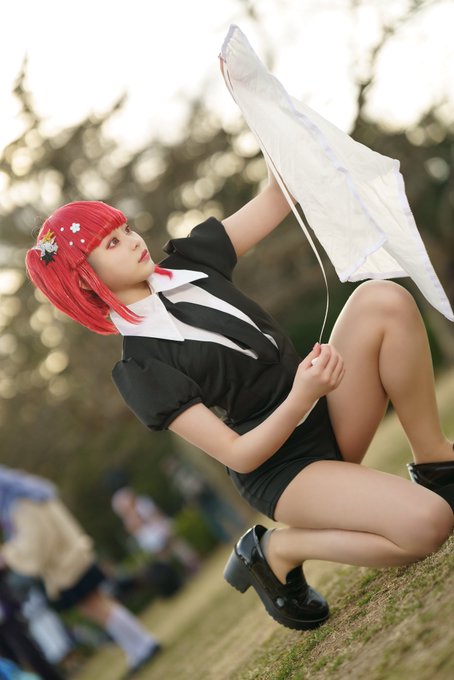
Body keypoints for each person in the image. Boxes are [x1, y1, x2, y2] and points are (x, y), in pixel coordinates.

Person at [24, 163, 453, 632]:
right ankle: (277, 550)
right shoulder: (141, 368)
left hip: (326, 410)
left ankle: (436, 463)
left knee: (381, 300)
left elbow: (279, 193)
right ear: (85, 280)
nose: (132, 240)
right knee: (428, 526)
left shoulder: (191, 261)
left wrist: (270, 123)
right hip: (282, 470)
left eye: (125, 229)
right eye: (111, 243)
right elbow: (238, 455)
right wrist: (302, 395)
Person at [0, 466, 161, 677]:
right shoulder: (33, 495)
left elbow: (37, 543)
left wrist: (9, 555)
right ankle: (137, 647)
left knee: (98, 607)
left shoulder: (21, 507)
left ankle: (143, 645)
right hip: (71, 555)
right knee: (99, 606)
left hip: (65, 563)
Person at [111, 487, 200, 573]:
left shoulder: (142, 503)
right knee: (165, 556)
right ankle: (179, 571)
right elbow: (133, 529)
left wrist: (163, 526)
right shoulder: (128, 518)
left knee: (178, 546)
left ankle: (192, 563)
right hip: (151, 537)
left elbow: (155, 514)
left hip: (158, 529)